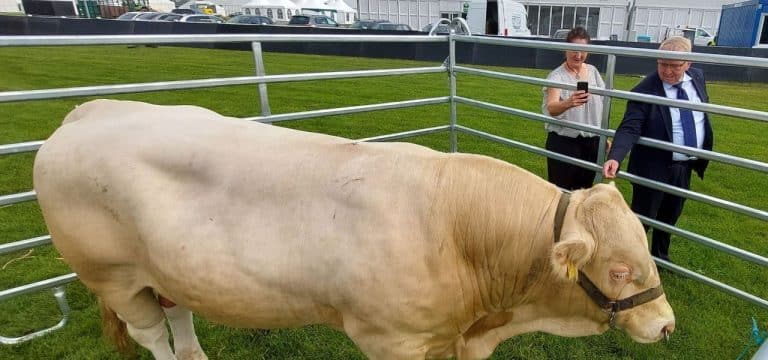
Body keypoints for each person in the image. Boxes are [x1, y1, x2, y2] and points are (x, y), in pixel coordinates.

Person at [603, 36, 714, 262]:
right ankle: (626, 260)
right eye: (663, 64)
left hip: (685, 165)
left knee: (671, 215)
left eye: (675, 66)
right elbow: (629, 127)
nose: (668, 71)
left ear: (688, 64)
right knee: (643, 219)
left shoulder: (697, 77)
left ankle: (660, 257)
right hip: (653, 166)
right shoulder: (644, 90)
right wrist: (616, 156)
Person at [542, 27, 605, 191]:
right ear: (566, 49)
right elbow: (551, 108)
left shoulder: (593, 72)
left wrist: (603, 135)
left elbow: (603, 105)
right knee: (562, 193)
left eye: (583, 50)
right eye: (574, 50)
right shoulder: (556, 76)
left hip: (592, 142)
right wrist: (569, 102)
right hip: (565, 144)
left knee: (585, 192)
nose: (578, 55)